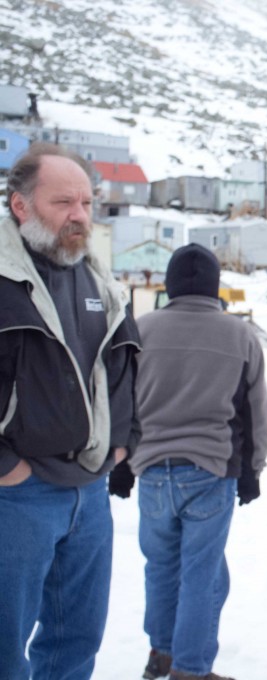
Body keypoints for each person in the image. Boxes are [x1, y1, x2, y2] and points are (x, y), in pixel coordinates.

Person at [0, 143, 140, 678]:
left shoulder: (96, 277)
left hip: (88, 490)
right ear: (21, 205)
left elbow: (126, 361)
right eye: (64, 202)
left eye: (86, 202)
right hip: (18, 495)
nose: (80, 215)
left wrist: (125, 438)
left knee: (76, 640)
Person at [122, 244, 267, 680]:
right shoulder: (239, 335)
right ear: (213, 285)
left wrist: (120, 465)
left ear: (169, 284)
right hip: (210, 472)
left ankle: (162, 656)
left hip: (151, 471)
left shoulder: (141, 329)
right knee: (202, 577)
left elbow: (120, 402)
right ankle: (190, 670)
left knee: (162, 569)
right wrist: (253, 470)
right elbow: (255, 410)